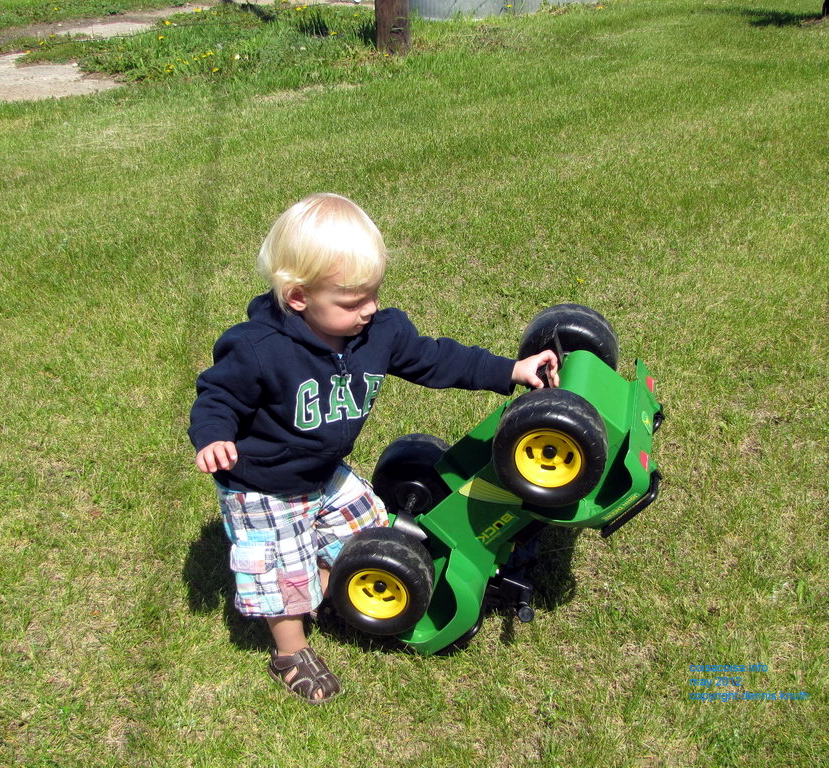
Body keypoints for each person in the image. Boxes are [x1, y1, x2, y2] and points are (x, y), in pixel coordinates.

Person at [189, 193, 559, 703]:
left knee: (369, 523)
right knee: (280, 569)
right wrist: (213, 437)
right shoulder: (256, 349)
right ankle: (289, 650)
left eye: (374, 294)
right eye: (351, 302)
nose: (369, 310)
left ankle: (324, 585)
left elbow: (437, 360)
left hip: (321, 472)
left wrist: (509, 371)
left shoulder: (377, 334)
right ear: (298, 298)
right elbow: (218, 396)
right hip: (263, 486)